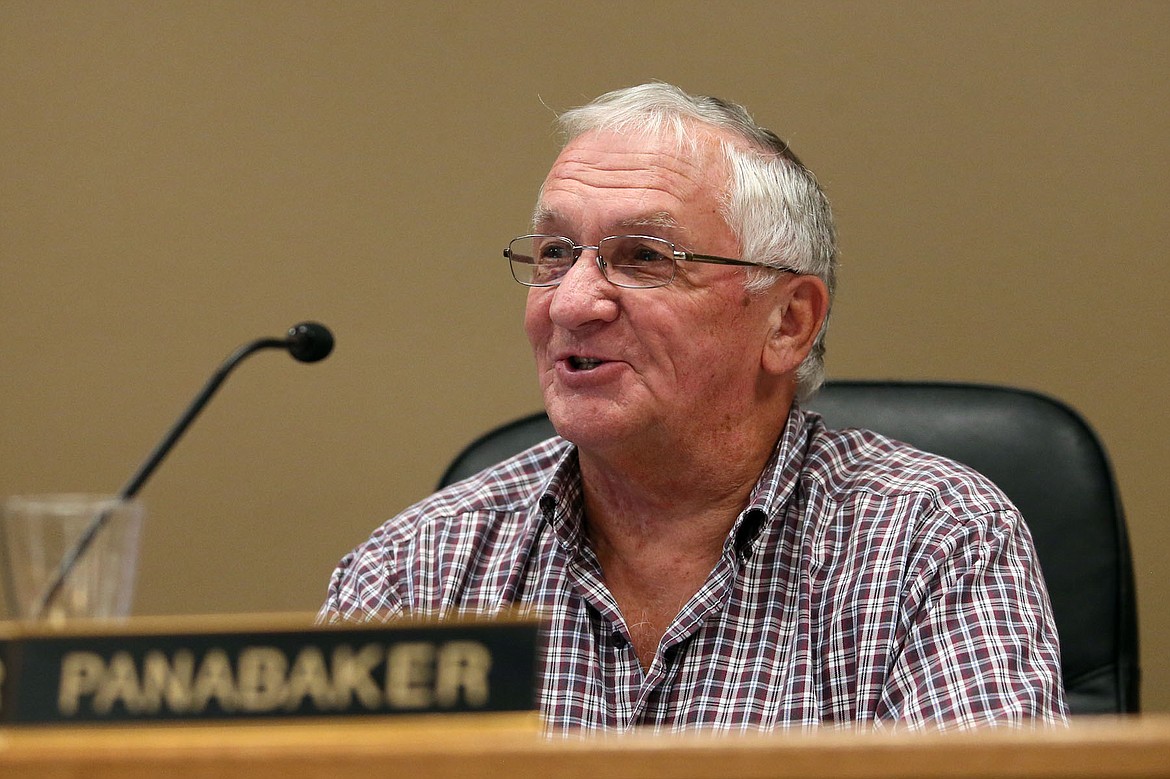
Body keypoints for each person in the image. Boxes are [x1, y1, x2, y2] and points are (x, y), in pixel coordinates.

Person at [320, 82, 1067, 731]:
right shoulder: (420, 568)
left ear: (788, 322)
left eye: (644, 256)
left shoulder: (931, 544)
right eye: (553, 254)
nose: (572, 302)